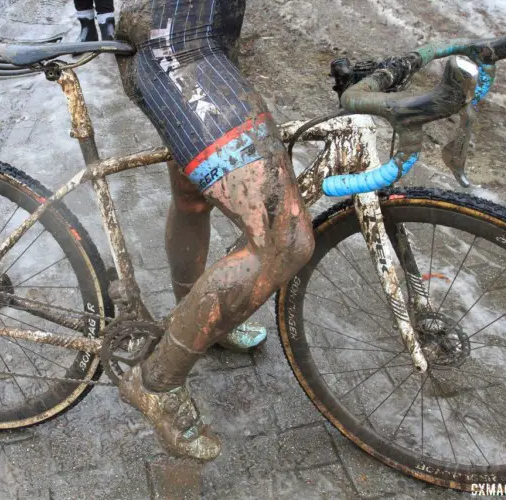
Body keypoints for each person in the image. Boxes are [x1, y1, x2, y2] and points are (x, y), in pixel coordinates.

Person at [114, 0, 315, 461]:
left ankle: (196, 316)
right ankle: (157, 382)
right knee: (284, 240)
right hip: (178, 47)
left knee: (192, 199)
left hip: (205, 38)